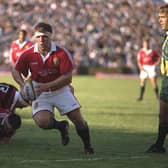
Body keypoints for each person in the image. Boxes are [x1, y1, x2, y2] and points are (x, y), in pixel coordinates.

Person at [12, 22, 94, 154]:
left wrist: (46, 86)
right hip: (40, 93)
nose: (41, 40)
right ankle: (61, 126)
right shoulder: (28, 54)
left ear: (51, 37)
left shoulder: (61, 52)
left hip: (60, 90)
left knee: (77, 118)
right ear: (34, 38)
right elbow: (15, 71)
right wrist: (23, 85)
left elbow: (67, 77)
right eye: (38, 37)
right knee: (42, 122)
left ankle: (88, 146)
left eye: (44, 36)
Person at [146, 4, 168, 153]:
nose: (160, 20)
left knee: (164, 115)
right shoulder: (166, 36)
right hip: (166, 79)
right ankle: (159, 145)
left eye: (163, 17)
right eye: (159, 17)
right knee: (163, 115)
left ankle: (159, 145)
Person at [136, 36, 161, 101]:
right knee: (142, 82)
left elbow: (159, 57)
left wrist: (156, 64)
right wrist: (141, 68)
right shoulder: (141, 52)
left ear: (148, 44)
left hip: (151, 67)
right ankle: (141, 97)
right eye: (145, 43)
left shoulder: (152, 51)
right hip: (144, 67)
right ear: (143, 44)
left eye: (147, 43)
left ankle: (157, 96)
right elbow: (139, 61)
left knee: (153, 82)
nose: (146, 45)